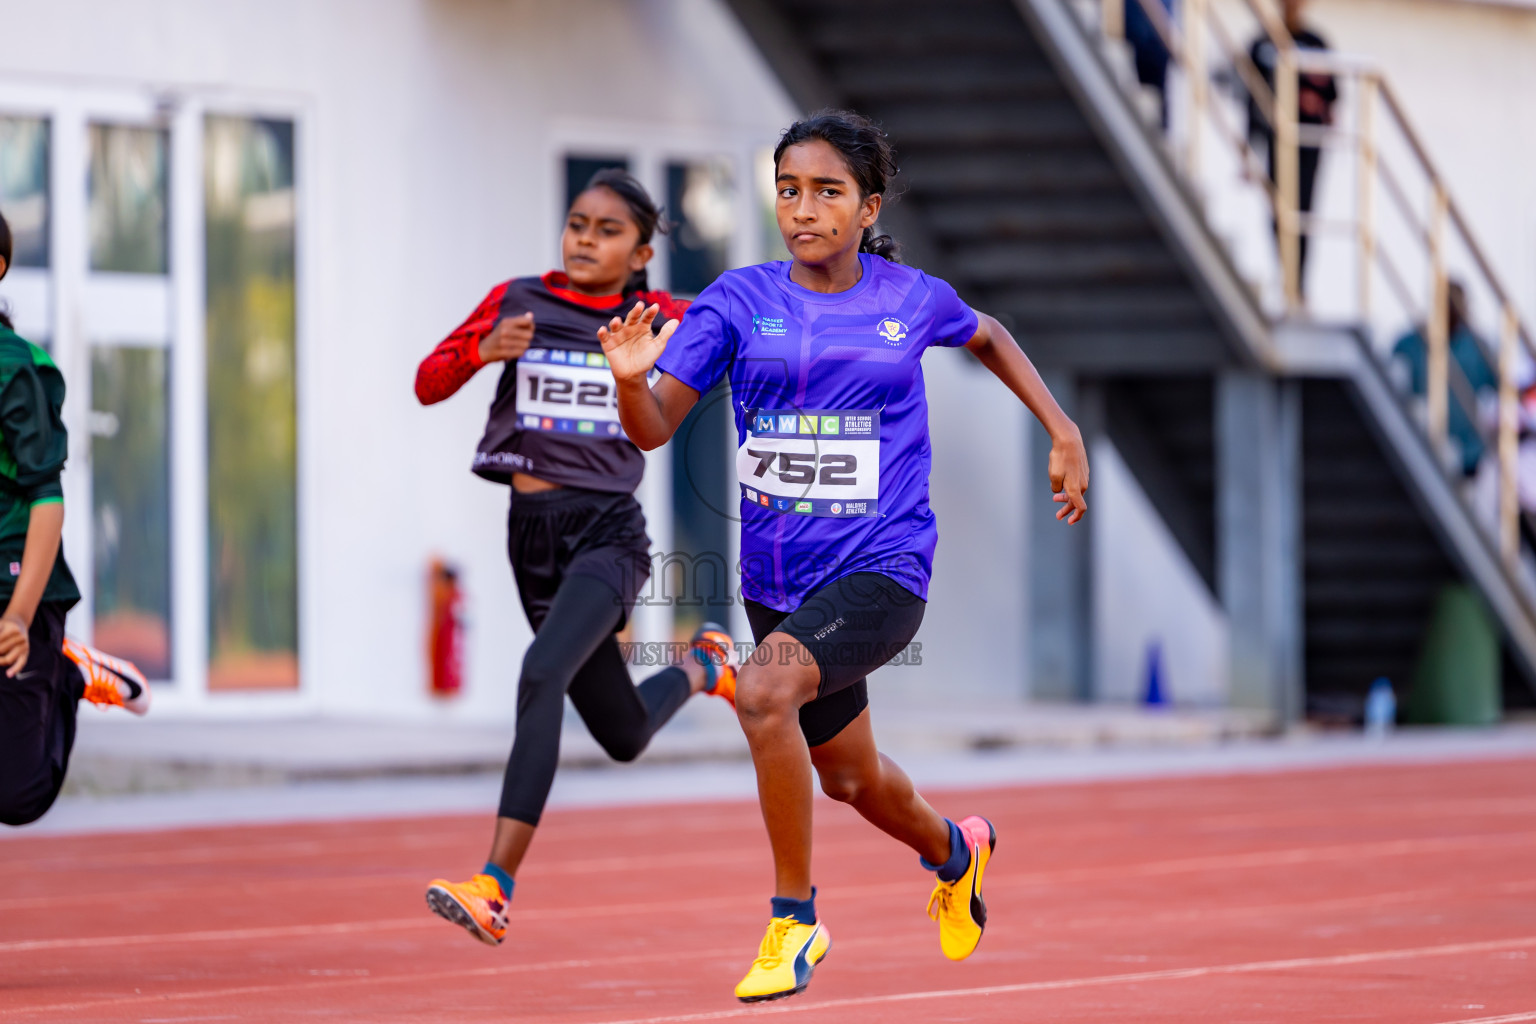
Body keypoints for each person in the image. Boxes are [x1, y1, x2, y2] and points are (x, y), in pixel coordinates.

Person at [600, 111, 1090, 1002]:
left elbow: (986, 334)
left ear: (867, 208)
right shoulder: (736, 304)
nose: (803, 209)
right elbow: (653, 431)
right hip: (776, 582)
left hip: (884, 566)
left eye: (827, 192)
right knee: (852, 779)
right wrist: (632, 382)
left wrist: (1061, 429)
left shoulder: (911, 299)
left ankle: (794, 921)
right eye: (788, 190)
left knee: (763, 689)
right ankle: (957, 850)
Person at [414, 169, 737, 945]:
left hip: (609, 534)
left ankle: (493, 885)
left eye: (607, 230)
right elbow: (428, 383)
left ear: (642, 252)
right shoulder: (516, 299)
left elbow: (744, 324)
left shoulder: (660, 315)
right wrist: (483, 352)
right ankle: (704, 665)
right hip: (530, 534)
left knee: (540, 674)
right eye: (577, 224)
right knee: (622, 734)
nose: (586, 240)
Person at [0, 208, 151, 828]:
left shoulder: (16, 368)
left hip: (14, 574)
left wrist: (18, 612)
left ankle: (65, 670)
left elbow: (46, 499)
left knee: (17, 795)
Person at [1248, 0, 1337, 296]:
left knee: (1303, 212)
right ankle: (1285, 274)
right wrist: (1247, 148)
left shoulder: (1317, 43)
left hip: (1308, 142)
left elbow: (1334, 97)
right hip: (1275, 141)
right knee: (1278, 212)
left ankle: (1298, 283)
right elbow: (1249, 98)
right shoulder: (1261, 43)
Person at [1392, 281, 1497, 478]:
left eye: (1458, 305)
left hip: (1470, 456)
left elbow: (1507, 391)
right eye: (1447, 304)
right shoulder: (1409, 345)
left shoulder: (1478, 347)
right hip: (1419, 452)